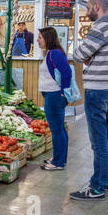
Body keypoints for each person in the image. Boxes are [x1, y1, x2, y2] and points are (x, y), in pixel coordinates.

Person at [70, 0, 108, 201]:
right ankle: (107, 179)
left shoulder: (101, 26)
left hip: (98, 91)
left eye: (88, 7)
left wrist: (91, 56)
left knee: (98, 140)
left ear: (96, 6)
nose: (87, 12)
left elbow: (78, 55)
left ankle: (96, 187)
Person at [37, 27, 72, 171]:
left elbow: (67, 72)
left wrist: (63, 93)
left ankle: (58, 162)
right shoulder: (51, 53)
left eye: (40, 38)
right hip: (53, 95)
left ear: (48, 39)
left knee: (57, 130)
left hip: (54, 95)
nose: (38, 40)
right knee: (60, 129)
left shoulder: (55, 53)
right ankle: (59, 157)